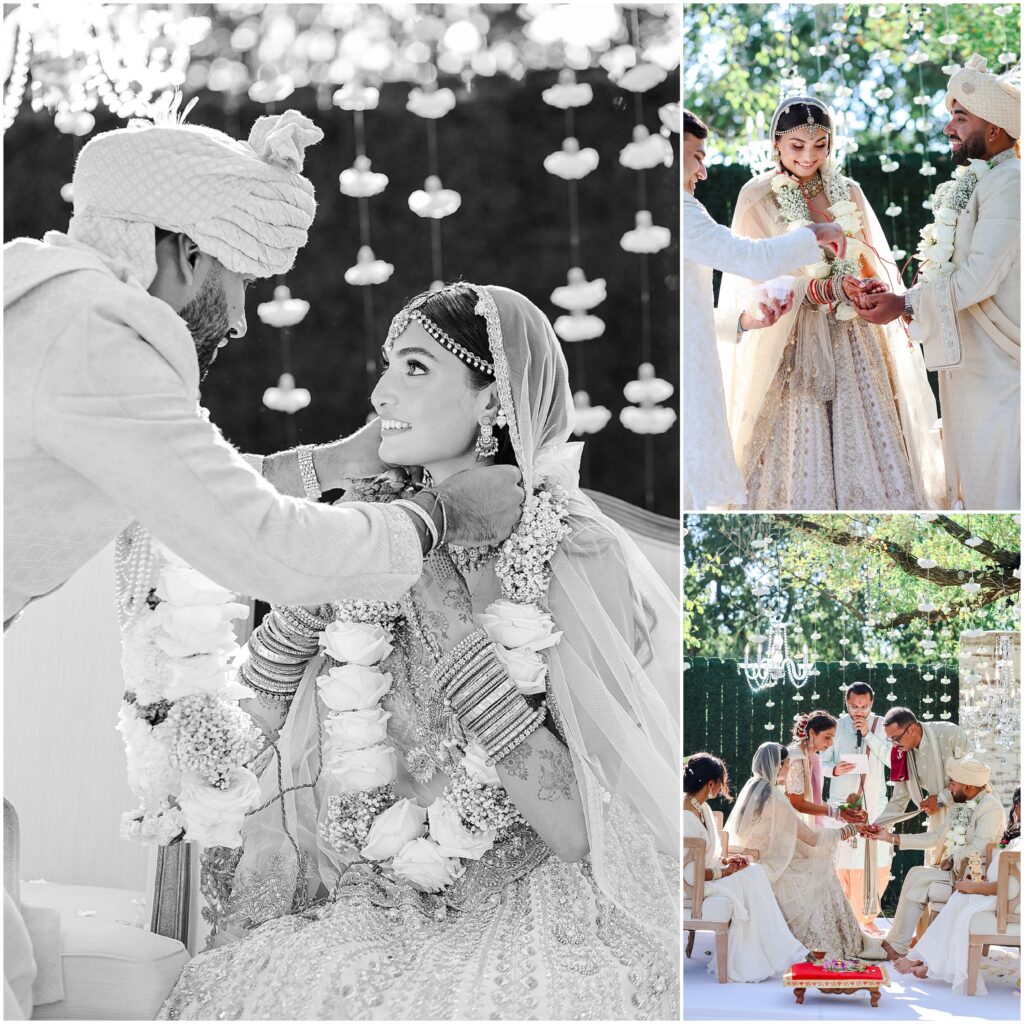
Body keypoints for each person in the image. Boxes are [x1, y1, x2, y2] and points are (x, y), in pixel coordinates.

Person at [157, 283, 681, 1020]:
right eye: (386, 366)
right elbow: (248, 735)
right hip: (374, 896)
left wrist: (444, 608)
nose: (379, 392)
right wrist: (356, 527)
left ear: (491, 397)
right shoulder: (372, 529)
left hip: (526, 898)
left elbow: (572, 831)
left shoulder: (568, 549)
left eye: (414, 368)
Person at [3, 106, 524, 631]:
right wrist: (441, 516)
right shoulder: (97, 335)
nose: (239, 322)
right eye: (243, 281)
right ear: (188, 252)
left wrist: (330, 463)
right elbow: (263, 546)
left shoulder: (52, 301)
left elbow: (179, 482)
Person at [717, 96, 944, 510]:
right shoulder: (757, 196)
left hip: (855, 334)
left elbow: (869, 259)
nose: (809, 155)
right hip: (793, 338)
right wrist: (820, 290)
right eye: (797, 146)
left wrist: (869, 291)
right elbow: (758, 279)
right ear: (776, 145)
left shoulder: (849, 192)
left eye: (820, 144)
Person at [857, 56, 1020, 510]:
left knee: (1003, 487)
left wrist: (904, 303)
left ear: (995, 129)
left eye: (960, 117)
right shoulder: (978, 180)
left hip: (1003, 371)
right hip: (975, 370)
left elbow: (979, 278)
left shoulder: (1010, 181)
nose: (949, 128)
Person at [682, 108, 846, 510]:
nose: (703, 172)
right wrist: (816, 233)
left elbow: (687, 311)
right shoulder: (679, 210)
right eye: (698, 155)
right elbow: (750, 258)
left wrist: (741, 320)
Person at [724, 743, 884, 961]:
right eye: (787, 764)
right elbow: (810, 838)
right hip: (768, 867)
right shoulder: (773, 797)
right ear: (777, 766)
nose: (789, 768)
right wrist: (849, 830)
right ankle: (832, 943)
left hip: (753, 860)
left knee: (815, 860)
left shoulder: (753, 788)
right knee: (823, 874)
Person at [862, 756, 1006, 960]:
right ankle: (894, 942)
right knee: (915, 872)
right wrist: (891, 837)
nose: (949, 787)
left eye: (953, 783)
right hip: (956, 868)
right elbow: (937, 837)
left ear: (968, 785)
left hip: (974, 875)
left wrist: (952, 859)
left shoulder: (990, 807)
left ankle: (898, 947)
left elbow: (980, 846)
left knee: (920, 877)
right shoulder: (962, 805)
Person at [684, 752, 805, 982]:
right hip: (693, 886)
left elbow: (706, 857)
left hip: (707, 875)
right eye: (722, 783)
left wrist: (727, 862)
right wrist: (724, 872)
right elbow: (690, 874)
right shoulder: (687, 818)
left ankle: (766, 950)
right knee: (754, 876)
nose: (723, 787)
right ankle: (749, 959)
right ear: (710, 784)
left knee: (753, 871)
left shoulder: (702, 808)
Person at [895, 787, 1019, 993]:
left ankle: (929, 963)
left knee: (963, 901)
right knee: (959, 900)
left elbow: (1014, 885)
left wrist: (975, 887)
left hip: (1010, 902)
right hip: (1003, 894)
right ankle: (929, 962)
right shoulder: (1016, 836)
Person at [818, 683, 893, 930]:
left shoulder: (882, 725)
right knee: (840, 859)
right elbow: (821, 762)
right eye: (853, 706)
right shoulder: (836, 726)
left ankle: (867, 916)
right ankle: (843, 918)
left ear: (871, 703)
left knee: (875, 859)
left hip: (874, 803)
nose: (858, 712)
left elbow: (892, 760)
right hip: (842, 804)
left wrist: (869, 734)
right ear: (846, 703)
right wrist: (835, 770)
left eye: (864, 706)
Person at [785, 709, 866, 829]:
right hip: (788, 822)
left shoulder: (812, 758)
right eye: (827, 737)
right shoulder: (796, 757)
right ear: (812, 733)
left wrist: (840, 811)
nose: (831, 743)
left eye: (832, 738)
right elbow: (797, 803)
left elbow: (812, 799)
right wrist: (835, 813)